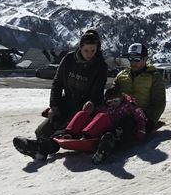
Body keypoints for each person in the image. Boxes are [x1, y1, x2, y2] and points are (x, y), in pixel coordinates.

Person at [13, 29, 108, 161]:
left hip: (84, 109)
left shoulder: (101, 66)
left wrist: (91, 102)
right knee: (41, 131)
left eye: (93, 50)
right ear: (80, 47)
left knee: (64, 134)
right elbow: (57, 84)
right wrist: (54, 106)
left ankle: (41, 149)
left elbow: (98, 91)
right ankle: (41, 148)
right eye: (86, 50)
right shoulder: (69, 59)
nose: (90, 54)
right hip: (67, 102)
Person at [101, 42, 165, 157]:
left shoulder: (153, 76)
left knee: (128, 123)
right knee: (102, 117)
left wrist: (150, 122)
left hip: (140, 116)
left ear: (145, 59)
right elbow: (112, 95)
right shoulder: (122, 76)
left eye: (137, 59)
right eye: (130, 58)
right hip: (118, 111)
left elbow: (159, 103)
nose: (133, 62)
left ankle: (110, 143)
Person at [59, 86, 147, 144]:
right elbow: (92, 116)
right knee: (83, 113)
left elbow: (140, 117)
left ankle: (86, 137)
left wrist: (141, 130)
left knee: (103, 116)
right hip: (97, 126)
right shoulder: (104, 107)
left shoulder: (129, 106)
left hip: (112, 129)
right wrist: (88, 111)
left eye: (116, 101)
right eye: (110, 102)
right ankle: (70, 133)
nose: (113, 104)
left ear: (121, 98)